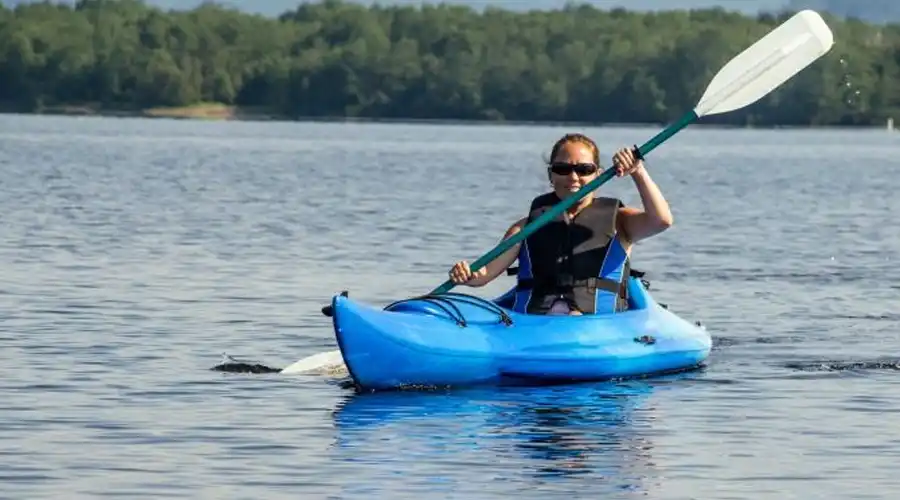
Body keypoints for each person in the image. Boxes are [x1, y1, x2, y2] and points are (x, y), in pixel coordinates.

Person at [447, 133, 673, 315]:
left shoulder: (620, 221)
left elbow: (661, 221)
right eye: (562, 169)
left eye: (584, 170)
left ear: (598, 175)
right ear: (551, 175)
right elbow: (484, 274)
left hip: (597, 326)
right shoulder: (525, 228)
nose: (573, 177)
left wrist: (638, 172)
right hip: (535, 324)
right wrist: (466, 274)